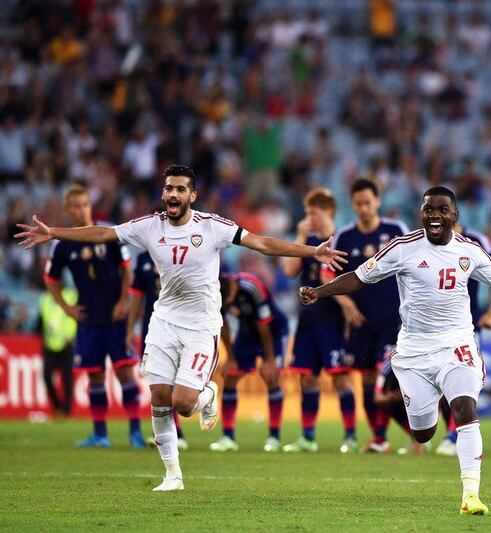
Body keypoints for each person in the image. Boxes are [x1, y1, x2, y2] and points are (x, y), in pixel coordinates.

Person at [16, 164, 346, 491]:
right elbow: (103, 232)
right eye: (169, 188)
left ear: (192, 195)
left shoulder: (213, 227)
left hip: (202, 325)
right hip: (164, 321)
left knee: (183, 402)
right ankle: (173, 475)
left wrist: (311, 252)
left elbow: (262, 243)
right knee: (159, 397)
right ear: (164, 193)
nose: (173, 194)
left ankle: (207, 393)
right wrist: (53, 233)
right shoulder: (149, 226)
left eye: (180, 189)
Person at [298, 186, 491, 515]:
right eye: (429, 210)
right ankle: (429, 418)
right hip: (414, 351)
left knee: (465, 409)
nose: (435, 216)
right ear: (421, 214)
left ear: (454, 216)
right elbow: (359, 277)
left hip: (457, 344)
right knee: (423, 433)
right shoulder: (402, 248)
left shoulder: (470, 251)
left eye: (443, 210)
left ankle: (470, 495)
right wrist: (320, 291)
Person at [42, 184, 143, 448]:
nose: (82, 209)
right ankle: (100, 435)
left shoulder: (108, 233)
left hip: (115, 317)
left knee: (125, 375)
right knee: (95, 376)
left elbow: (127, 270)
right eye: (76, 206)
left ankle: (135, 433)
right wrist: (66, 308)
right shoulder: (62, 244)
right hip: (88, 319)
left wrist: (123, 301)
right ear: (68, 209)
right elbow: (50, 278)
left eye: (85, 204)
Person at [330, 179, 408, 454]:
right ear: (353, 205)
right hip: (360, 322)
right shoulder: (344, 237)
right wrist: (346, 304)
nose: (363, 208)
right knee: (363, 379)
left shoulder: (395, 230)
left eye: (368, 202)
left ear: (378, 201)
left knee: (383, 379)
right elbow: (331, 275)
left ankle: (409, 433)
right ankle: (378, 437)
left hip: (391, 321)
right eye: (358, 204)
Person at [282, 188, 358, 454]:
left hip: (332, 321)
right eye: (307, 213)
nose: (309, 218)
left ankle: (350, 435)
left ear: (328, 211)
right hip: (307, 321)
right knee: (307, 380)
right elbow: (290, 271)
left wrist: (347, 306)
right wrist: (302, 235)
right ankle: (307, 436)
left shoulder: (343, 240)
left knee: (340, 380)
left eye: (312, 212)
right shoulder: (310, 242)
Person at [432, 221, 491, 457]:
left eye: (443, 210)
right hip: (432, 329)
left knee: (461, 382)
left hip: (466, 326)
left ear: (453, 213)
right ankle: (452, 433)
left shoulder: (476, 241)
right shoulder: (424, 241)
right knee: (439, 387)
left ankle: (453, 435)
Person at [210, 272, 289, 453]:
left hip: (273, 331)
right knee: (230, 376)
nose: (229, 305)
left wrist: (269, 360)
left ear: (233, 289)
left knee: (271, 378)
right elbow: (222, 324)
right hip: (247, 333)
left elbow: (264, 324)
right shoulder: (216, 291)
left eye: (229, 301)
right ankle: (228, 437)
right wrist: (230, 357)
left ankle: (274, 437)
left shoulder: (251, 287)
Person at [127, 250, 188, 450]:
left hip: (181, 323)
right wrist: (130, 329)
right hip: (152, 327)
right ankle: (167, 433)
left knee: (177, 381)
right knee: (159, 380)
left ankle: (176, 431)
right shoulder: (144, 257)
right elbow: (137, 295)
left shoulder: (184, 249)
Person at [38, 286, 78, 417]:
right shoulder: (44, 300)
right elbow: (40, 322)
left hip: (67, 344)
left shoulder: (71, 296)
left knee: (67, 378)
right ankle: (57, 407)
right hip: (50, 345)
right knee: (46, 376)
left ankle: (66, 410)